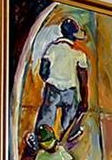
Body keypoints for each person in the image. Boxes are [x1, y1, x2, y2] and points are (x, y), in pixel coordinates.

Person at [34, 16, 90, 145]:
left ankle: (42, 143)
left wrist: (50, 79)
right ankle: (66, 144)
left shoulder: (51, 48)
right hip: (70, 92)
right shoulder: (79, 54)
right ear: (74, 36)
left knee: (46, 121)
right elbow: (83, 81)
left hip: (52, 90)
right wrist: (84, 100)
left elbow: (43, 71)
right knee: (69, 124)